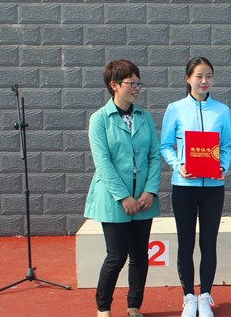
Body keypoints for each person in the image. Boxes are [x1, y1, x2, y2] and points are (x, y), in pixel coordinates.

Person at [84, 59, 161, 317]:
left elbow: (154, 156)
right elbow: (103, 162)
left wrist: (150, 191)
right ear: (114, 85)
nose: (137, 88)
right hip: (114, 198)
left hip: (143, 198)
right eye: (131, 83)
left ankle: (133, 305)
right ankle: (103, 307)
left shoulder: (144, 117)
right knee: (116, 256)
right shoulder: (99, 119)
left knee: (140, 255)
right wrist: (123, 197)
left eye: (139, 83)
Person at [160, 57, 231, 317]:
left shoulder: (222, 110)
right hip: (184, 186)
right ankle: (189, 296)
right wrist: (178, 165)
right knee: (186, 242)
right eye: (199, 76)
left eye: (208, 76)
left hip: (213, 187)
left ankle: (205, 296)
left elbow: (226, 145)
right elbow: (165, 145)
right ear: (188, 78)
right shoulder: (175, 109)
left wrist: (222, 166)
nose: (204, 81)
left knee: (209, 242)